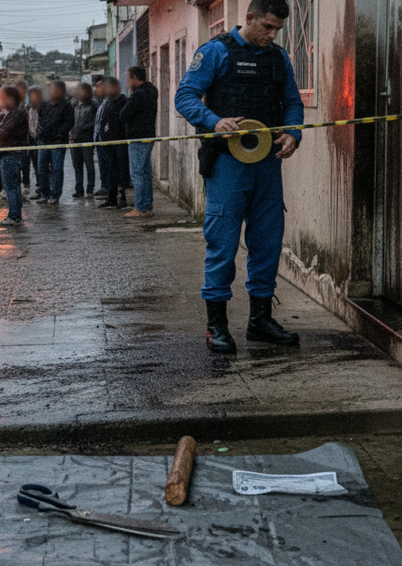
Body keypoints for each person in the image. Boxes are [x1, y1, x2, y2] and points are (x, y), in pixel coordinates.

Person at [174, 0, 304, 354]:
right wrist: (213, 121)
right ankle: (216, 325)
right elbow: (185, 96)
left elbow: (293, 102)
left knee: (268, 241)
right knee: (223, 244)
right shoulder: (216, 52)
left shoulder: (278, 58)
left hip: (267, 164)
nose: (272, 35)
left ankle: (260, 320)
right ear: (249, 18)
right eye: (267, 27)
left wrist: (293, 133)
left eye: (277, 29)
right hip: (227, 163)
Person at [119, 66, 159, 218]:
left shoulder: (138, 94)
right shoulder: (151, 91)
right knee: (146, 172)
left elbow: (124, 114)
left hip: (137, 136)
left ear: (135, 77)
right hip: (148, 135)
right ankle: (147, 205)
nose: (126, 81)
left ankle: (140, 207)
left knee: (137, 173)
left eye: (128, 77)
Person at [0, 86, 30, 227]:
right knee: (13, 186)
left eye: (2, 98)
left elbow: (5, 131)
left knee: (11, 186)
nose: (0, 101)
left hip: (12, 154)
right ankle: (15, 214)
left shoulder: (18, 114)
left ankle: (14, 215)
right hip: (8, 153)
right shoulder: (10, 113)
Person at [35, 80, 74, 204]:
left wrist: (59, 133)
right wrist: (40, 132)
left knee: (57, 168)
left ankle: (55, 194)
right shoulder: (44, 104)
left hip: (58, 142)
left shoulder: (66, 106)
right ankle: (45, 193)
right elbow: (40, 118)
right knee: (42, 168)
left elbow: (69, 122)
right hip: (44, 141)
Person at [95, 77, 129, 209]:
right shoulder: (108, 103)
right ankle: (111, 197)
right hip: (107, 145)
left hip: (120, 143)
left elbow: (122, 123)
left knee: (122, 172)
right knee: (111, 172)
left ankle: (123, 197)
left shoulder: (123, 102)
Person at [70, 83, 99, 198]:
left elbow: (95, 122)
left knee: (89, 164)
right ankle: (79, 189)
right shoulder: (75, 105)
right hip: (75, 139)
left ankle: (90, 188)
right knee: (77, 166)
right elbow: (72, 121)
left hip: (87, 138)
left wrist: (86, 130)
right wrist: (72, 133)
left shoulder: (93, 105)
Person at [92, 78, 110, 198]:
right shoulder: (102, 103)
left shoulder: (110, 102)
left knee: (108, 165)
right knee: (102, 165)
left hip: (106, 141)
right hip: (99, 140)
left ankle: (109, 188)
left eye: (98, 86)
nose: (96, 89)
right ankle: (104, 187)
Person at [26, 86, 44, 197]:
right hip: (32, 142)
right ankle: (40, 187)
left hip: (42, 141)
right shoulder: (29, 109)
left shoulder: (44, 108)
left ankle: (45, 190)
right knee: (37, 167)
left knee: (44, 167)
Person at [15, 80, 33, 191]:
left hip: (27, 138)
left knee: (25, 163)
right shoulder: (15, 104)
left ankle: (26, 184)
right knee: (17, 164)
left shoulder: (29, 104)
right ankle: (19, 185)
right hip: (16, 139)